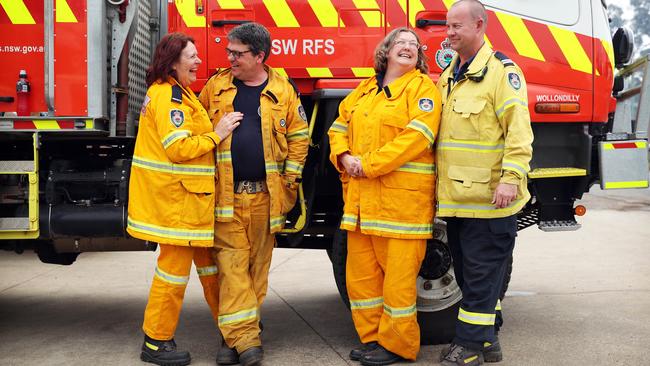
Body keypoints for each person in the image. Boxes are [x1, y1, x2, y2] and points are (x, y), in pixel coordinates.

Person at [328, 28, 441, 366]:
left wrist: (369, 165)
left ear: (419, 55)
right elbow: (338, 126)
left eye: (413, 45)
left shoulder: (423, 89)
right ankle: (374, 339)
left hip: (401, 208)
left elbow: (417, 137)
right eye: (400, 43)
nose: (407, 48)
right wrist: (345, 156)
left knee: (398, 286)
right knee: (361, 280)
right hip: (362, 207)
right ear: (386, 51)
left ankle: (398, 346)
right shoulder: (366, 89)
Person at [198, 23, 309, 366]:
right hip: (225, 197)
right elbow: (195, 128)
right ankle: (245, 341)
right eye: (229, 51)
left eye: (237, 53)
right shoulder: (215, 86)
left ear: (259, 56)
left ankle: (233, 338)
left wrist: (289, 184)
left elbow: (299, 138)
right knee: (231, 269)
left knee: (256, 271)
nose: (229, 57)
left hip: (266, 199)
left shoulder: (283, 90)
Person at [127, 32, 240, 366]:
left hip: (191, 203)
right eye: (192, 56)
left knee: (210, 269)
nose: (198, 62)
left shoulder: (181, 94)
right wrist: (216, 134)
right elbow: (178, 149)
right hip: (177, 204)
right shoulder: (169, 98)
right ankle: (156, 341)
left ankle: (235, 328)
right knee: (173, 274)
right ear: (173, 61)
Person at [435, 1, 534, 365]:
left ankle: (471, 348)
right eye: (447, 26)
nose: (448, 33)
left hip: (492, 201)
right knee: (470, 276)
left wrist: (511, 178)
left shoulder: (501, 73)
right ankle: (488, 341)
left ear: (479, 25)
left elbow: (519, 135)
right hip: (460, 199)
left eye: (456, 27)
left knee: (479, 278)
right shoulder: (452, 72)